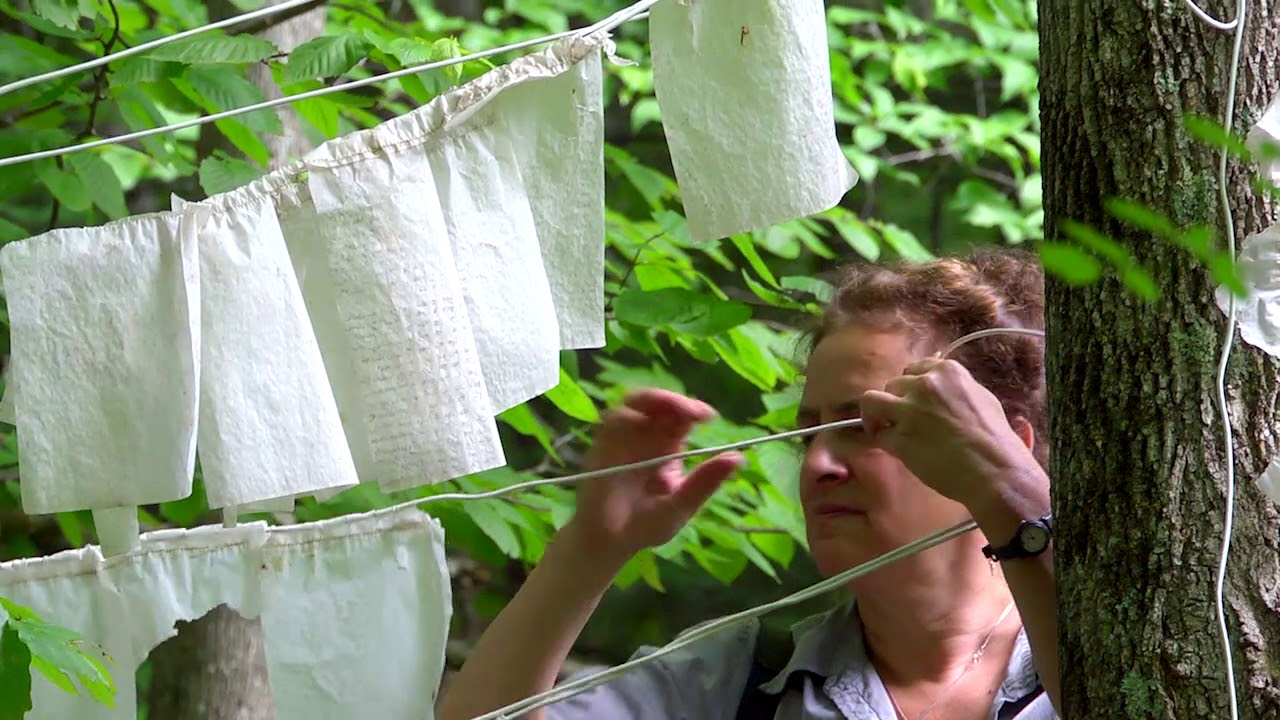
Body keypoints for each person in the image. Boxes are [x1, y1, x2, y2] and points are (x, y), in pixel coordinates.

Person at [438, 248, 1059, 720]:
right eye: (807, 433)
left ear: (1004, 442)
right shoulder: (741, 682)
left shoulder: (1112, 650)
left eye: (865, 427)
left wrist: (1017, 496)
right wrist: (589, 548)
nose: (818, 464)